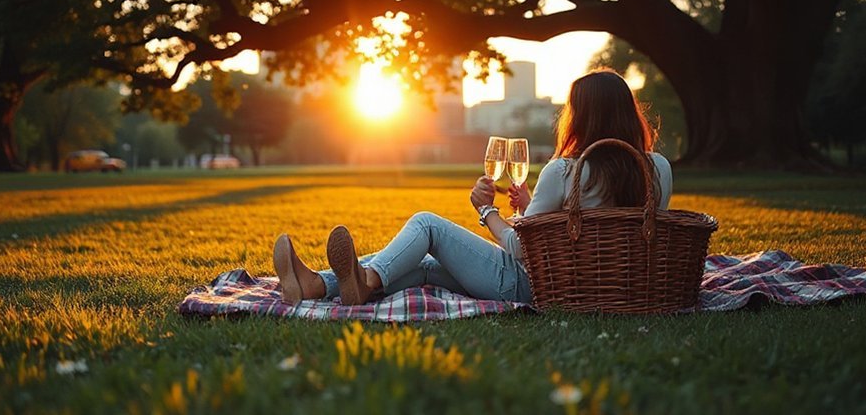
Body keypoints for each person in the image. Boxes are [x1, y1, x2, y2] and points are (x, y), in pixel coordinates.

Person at [272, 68, 673, 305]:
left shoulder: (564, 171)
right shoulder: (658, 169)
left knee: (427, 225)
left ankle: (370, 280)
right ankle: (319, 286)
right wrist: (534, 206)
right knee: (423, 267)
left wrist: (487, 212)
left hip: (534, 287)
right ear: (627, 113)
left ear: (581, 116)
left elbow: (522, 249)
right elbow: (601, 232)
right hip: (608, 287)